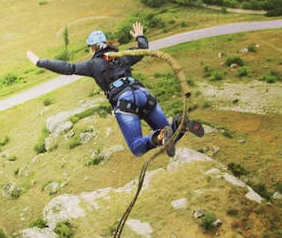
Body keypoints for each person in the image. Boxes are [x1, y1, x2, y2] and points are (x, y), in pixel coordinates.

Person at [26, 22, 203, 158]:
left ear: (92, 48)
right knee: (170, 138)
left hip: (125, 102)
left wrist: (39, 62)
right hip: (144, 95)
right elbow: (143, 50)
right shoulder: (123, 55)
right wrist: (140, 36)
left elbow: (68, 67)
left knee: (136, 147)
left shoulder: (92, 64)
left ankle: (161, 135)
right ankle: (180, 124)